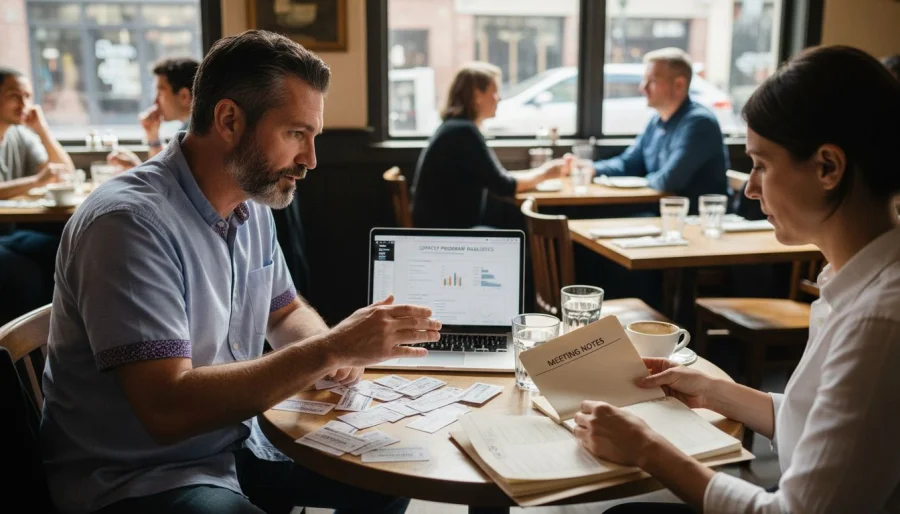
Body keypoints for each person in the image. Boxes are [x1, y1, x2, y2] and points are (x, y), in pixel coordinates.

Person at [40, 30, 440, 514]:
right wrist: (330, 347)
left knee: (390, 471)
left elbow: (284, 311)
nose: (310, 160)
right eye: (295, 134)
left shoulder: (252, 206)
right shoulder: (129, 224)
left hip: (239, 440)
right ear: (229, 120)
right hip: (141, 477)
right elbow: (167, 409)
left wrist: (336, 360)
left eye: (313, 137)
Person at [573, 46, 900, 513]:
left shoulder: (879, 320)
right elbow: (817, 423)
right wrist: (709, 390)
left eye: (761, 164)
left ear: (828, 167)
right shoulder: (855, 284)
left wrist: (647, 449)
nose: (749, 188)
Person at [411, 61, 567, 228]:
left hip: (441, 224)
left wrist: (541, 173)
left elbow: (497, 177)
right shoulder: (464, 132)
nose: (499, 98)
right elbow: (503, 185)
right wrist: (546, 173)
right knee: (520, 232)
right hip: (450, 231)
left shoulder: (454, 128)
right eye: (495, 91)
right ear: (477, 95)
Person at [589, 48, 728, 211]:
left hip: (692, 218)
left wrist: (640, 181)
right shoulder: (656, 121)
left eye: (652, 81)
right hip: (661, 212)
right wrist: (590, 168)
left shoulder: (700, 123)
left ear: (679, 84)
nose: (643, 87)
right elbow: (628, 164)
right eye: (644, 80)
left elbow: (669, 181)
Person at [0, 66, 74, 324]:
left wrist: (42, 130)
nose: (24, 104)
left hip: (9, 233)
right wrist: (36, 181)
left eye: (28, 96)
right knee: (24, 275)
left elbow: (65, 170)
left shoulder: (19, 134)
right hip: (6, 234)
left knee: (64, 253)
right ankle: (20, 342)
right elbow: (42, 177)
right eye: (14, 96)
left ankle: (57, 334)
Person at [107, 57, 199, 169]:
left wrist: (134, 167)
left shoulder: (194, 136)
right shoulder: (188, 129)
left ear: (184, 96)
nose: (155, 101)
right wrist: (153, 136)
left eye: (160, 93)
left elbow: (169, 177)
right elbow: (168, 169)